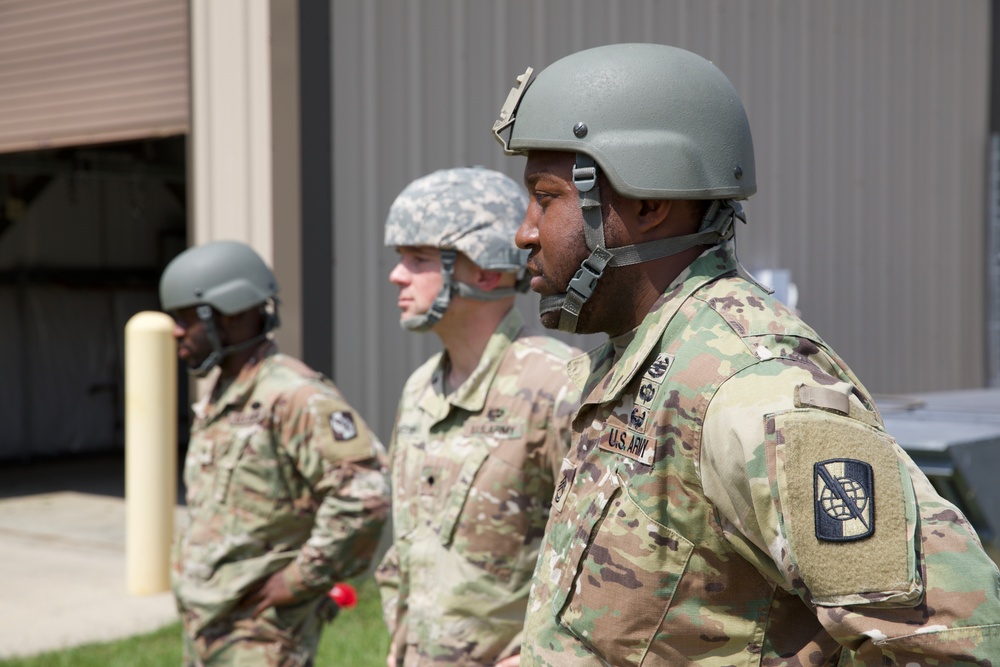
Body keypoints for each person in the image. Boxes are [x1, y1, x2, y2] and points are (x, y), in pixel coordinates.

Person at [492, 43, 1000, 665]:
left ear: (648, 204)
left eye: (546, 198)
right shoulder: (637, 360)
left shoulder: (750, 392)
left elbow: (958, 639)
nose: (524, 231)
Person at [374, 167, 581, 667]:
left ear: (486, 271)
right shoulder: (421, 388)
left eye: (419, 259)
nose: (396, 274)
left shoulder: (556, 385)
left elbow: (598, 563)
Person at [159, 240, 390, 667]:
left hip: (263, 633)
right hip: (213, 620)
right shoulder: (225, 393)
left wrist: (299, 580)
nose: (175, 330)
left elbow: (366, 496)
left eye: (185, 317)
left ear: (228, 316)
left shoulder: (293, 395)